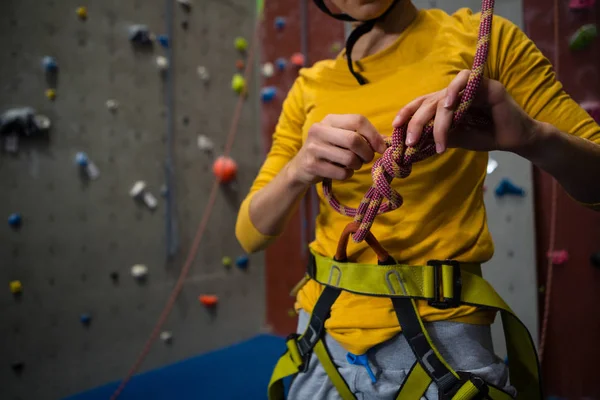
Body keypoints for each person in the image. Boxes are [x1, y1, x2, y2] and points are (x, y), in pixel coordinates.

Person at [236, 0, 600, 398]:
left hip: (443, 348)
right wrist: (298, 170)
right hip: (322, 341)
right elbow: (251, 233)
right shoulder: (311, 85)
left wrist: (533, 138)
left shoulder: (484, 39)